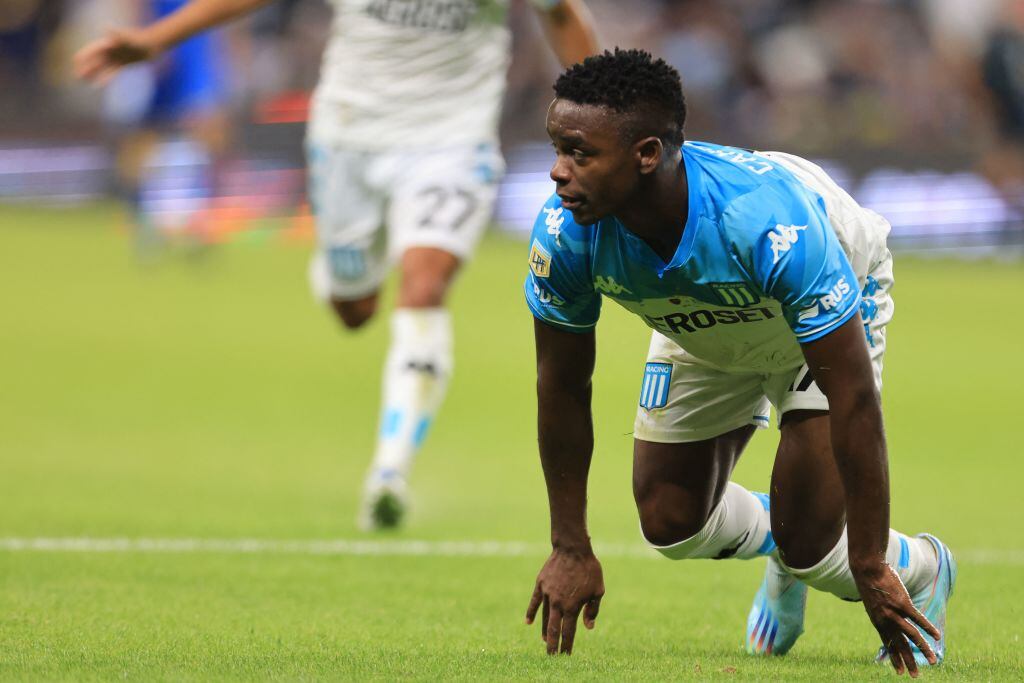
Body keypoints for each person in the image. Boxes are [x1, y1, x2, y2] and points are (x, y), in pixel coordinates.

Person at [75, 0, 599, 529]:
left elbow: (560, 14)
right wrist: (156, 39)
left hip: (452, 142)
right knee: (354, 308)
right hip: (349, 137)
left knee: (424, 287)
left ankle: (389, 472)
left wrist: (606, 118)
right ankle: (337, 269)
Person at [522, 49, 955, 675]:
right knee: (671, 524)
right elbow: (560, 385)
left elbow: (855, 397)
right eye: (556, 148)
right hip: (700, 318)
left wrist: (867, 564)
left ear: (646, 154)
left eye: (579, 153)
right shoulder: (566, 235)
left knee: (813, 543)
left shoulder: (765, 224)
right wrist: (569, 545)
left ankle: (923, 566)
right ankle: (788, 540)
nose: (558, 173)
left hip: (818, 310)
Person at [99, 0, 233, 258]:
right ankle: (141, 225)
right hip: (159, 42)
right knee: (144, 137)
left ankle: (202, 223)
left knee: (211, 132)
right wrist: (144, 36)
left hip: (197, 44)